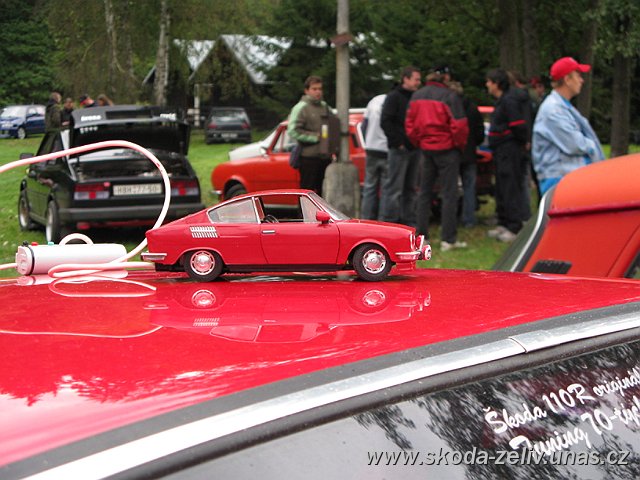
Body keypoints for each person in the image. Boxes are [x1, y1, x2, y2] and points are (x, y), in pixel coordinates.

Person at [406, 65, 468, 251]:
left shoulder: (416, 96)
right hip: (447, 149)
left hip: (426, 149)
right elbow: (459, 125)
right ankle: (448, 239)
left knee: (424, 193)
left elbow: (410, 125)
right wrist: (458, 145)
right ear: (445, 78)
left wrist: (419, 142)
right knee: (449, 193)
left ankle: (422, 237)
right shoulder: (449, 96)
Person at [532, 57, 604, 195]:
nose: (581, 80)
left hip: (568, 180)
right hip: (559, 182)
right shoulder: (553, 110)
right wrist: (593, 146)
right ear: (567, 79)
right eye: (578, 76)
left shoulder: (562, 107)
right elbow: (575, 144)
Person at [485, 68, 530, 243]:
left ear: (496, 83)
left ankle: (514, 226)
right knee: (501, 187)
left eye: (489, 82)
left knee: (510, 186)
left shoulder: (509, 101)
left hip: (509, 150)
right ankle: (503, 222)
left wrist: (515, 141)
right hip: (501, 150)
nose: (487, 85)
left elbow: (518, 125)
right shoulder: (502, 101)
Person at [379, 66, 422, 226]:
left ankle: (409, 222)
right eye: (416, 79)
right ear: (406, 79)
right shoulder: (394, 97)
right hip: (399, 149)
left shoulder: (416, 97)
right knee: (394, 188)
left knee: (411, 188)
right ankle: (390, 222)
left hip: (414, 148)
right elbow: (385, 121)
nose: (418, 82)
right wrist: (398, 142)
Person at [287, 76, 338, 195]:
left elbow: (334, 124)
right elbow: (293, 131)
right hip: (308, 158)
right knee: (307, 193)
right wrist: (314, 137)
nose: (318, 92)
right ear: (307, 91)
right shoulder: (300, 108)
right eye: (314, 89)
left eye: (320, 89)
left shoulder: (325, 106)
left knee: (323, 193)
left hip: (325, 157)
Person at [448, 81, 485, 228]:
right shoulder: (472, 107)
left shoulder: (447, 107)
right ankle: (469, 218)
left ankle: (450, 218)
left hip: (452, 152)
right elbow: (480, 129)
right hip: (469, 152)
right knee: (469, 187)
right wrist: (474, 143)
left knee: (450, 188)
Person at [360, 93, 388, 220]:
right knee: (386, 188)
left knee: (369, 187)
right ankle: (383, 220)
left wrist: (368, 142)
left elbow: (364, 126)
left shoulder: (373, 101)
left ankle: (366, 218)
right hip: (387, 150)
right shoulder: (394, 101)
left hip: (371, 149)